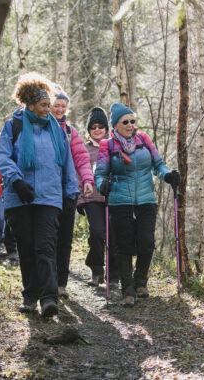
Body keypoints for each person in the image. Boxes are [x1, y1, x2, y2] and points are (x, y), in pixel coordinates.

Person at [0, 72, 79, 318]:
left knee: (45, 246)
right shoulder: (14, 126)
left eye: (49, 105)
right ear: (30, 103)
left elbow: (66, 163)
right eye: (44, 105)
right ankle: (30, 295)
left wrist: (70, 191)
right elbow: (3, 157)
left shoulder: (57, 130)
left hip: (49, 197)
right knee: (27, 248)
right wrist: (16, 180)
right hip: (19, 197)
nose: (48, 109)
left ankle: (49, 298)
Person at [95, 103, 181, 307]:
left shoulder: (144, 140)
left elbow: (158, 165)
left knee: (146, 241)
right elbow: (99, 174)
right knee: (123, 245)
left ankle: (141, 281)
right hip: (120, 201)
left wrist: (168, 175)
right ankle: (128, 290)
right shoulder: (107, 146)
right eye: (126, 121)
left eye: (133, 121)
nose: (130, 125)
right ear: (115, 125)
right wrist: (102, 185)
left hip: (146, 200)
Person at [50, 85, 94, 298]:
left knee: (65, 239)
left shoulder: (70, 131)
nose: (59, 109)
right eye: (56, 105)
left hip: (68, 191)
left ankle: (61, 284)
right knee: (49, 238)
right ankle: (48, 281)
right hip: (46, 193)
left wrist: (86, 179)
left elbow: (82, 159)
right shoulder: (41, 128)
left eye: (63, 106)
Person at [77, 107, 119, 288]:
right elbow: (79, 173)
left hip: (113, 198)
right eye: (93, 127)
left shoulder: (114, 146)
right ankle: (96, 270)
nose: (97, 130)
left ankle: (114, 275)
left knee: (114, 236)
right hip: (92, 197)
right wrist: (79, 199)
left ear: (106, 128)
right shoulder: (84, 149)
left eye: (100, 126)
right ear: (89, 130)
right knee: (97, 234)